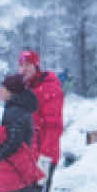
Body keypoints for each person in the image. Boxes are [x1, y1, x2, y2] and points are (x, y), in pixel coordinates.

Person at [18, 48, 67, 180]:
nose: (24, 69)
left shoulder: (49, 88)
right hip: (27, 156)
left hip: (43, 157)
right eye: (21, 65)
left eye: (28, 65)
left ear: (36, 66)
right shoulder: (25, 88)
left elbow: (54, 126)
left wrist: (44, 159)